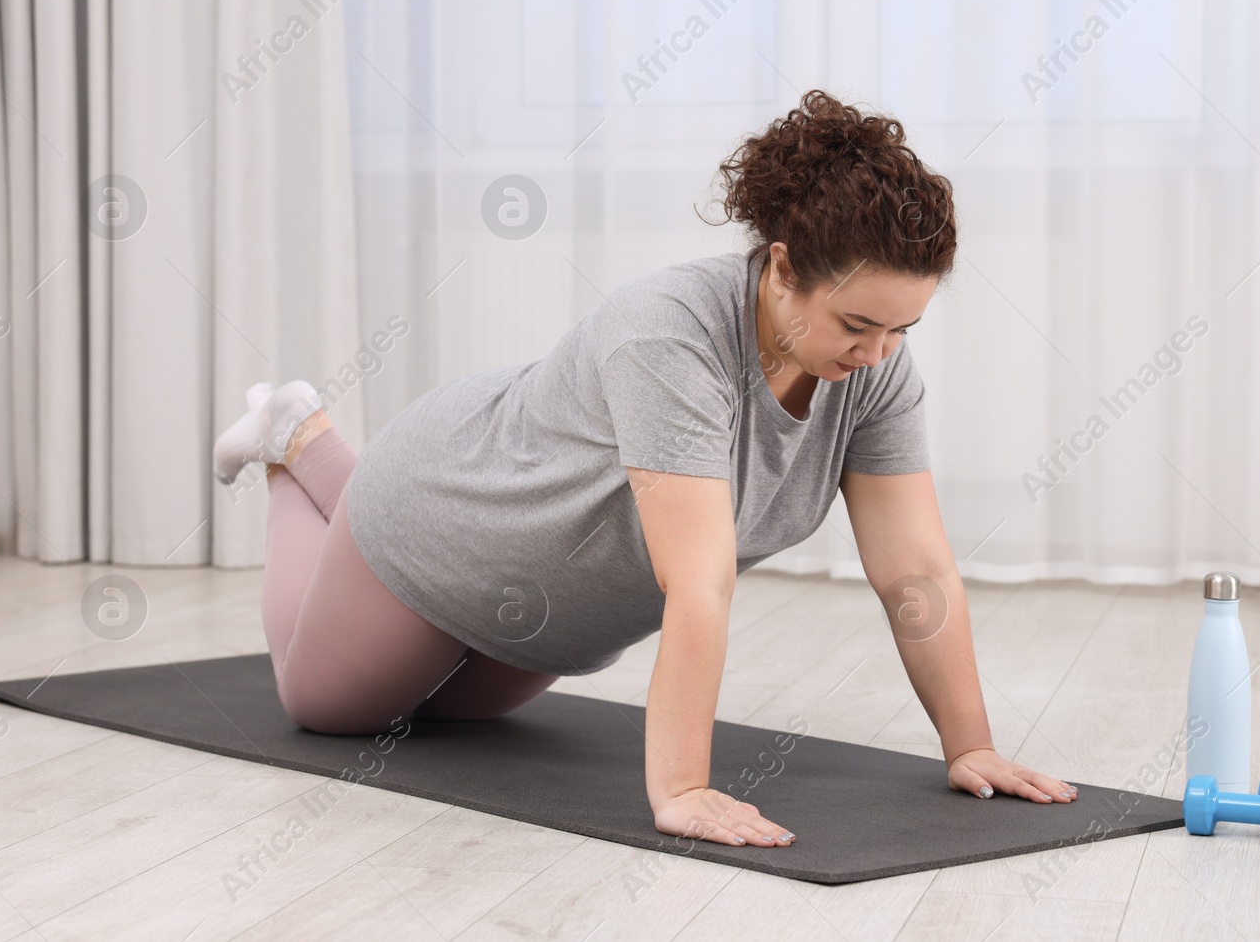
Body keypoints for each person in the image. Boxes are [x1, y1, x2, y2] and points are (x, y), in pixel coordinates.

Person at [212, 89, 1077, 852]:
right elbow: (697, 582)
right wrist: (683, 788)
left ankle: (311, 443)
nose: (880, 352)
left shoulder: (874, 374)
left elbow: (915, 570)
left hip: (550, 610)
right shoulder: (672, 335)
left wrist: (969, 744)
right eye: (858, 322)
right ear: (782, 268)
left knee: (455, 721)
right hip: (444, 518)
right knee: (328, 709)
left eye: (902, 329)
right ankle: (295, 443)